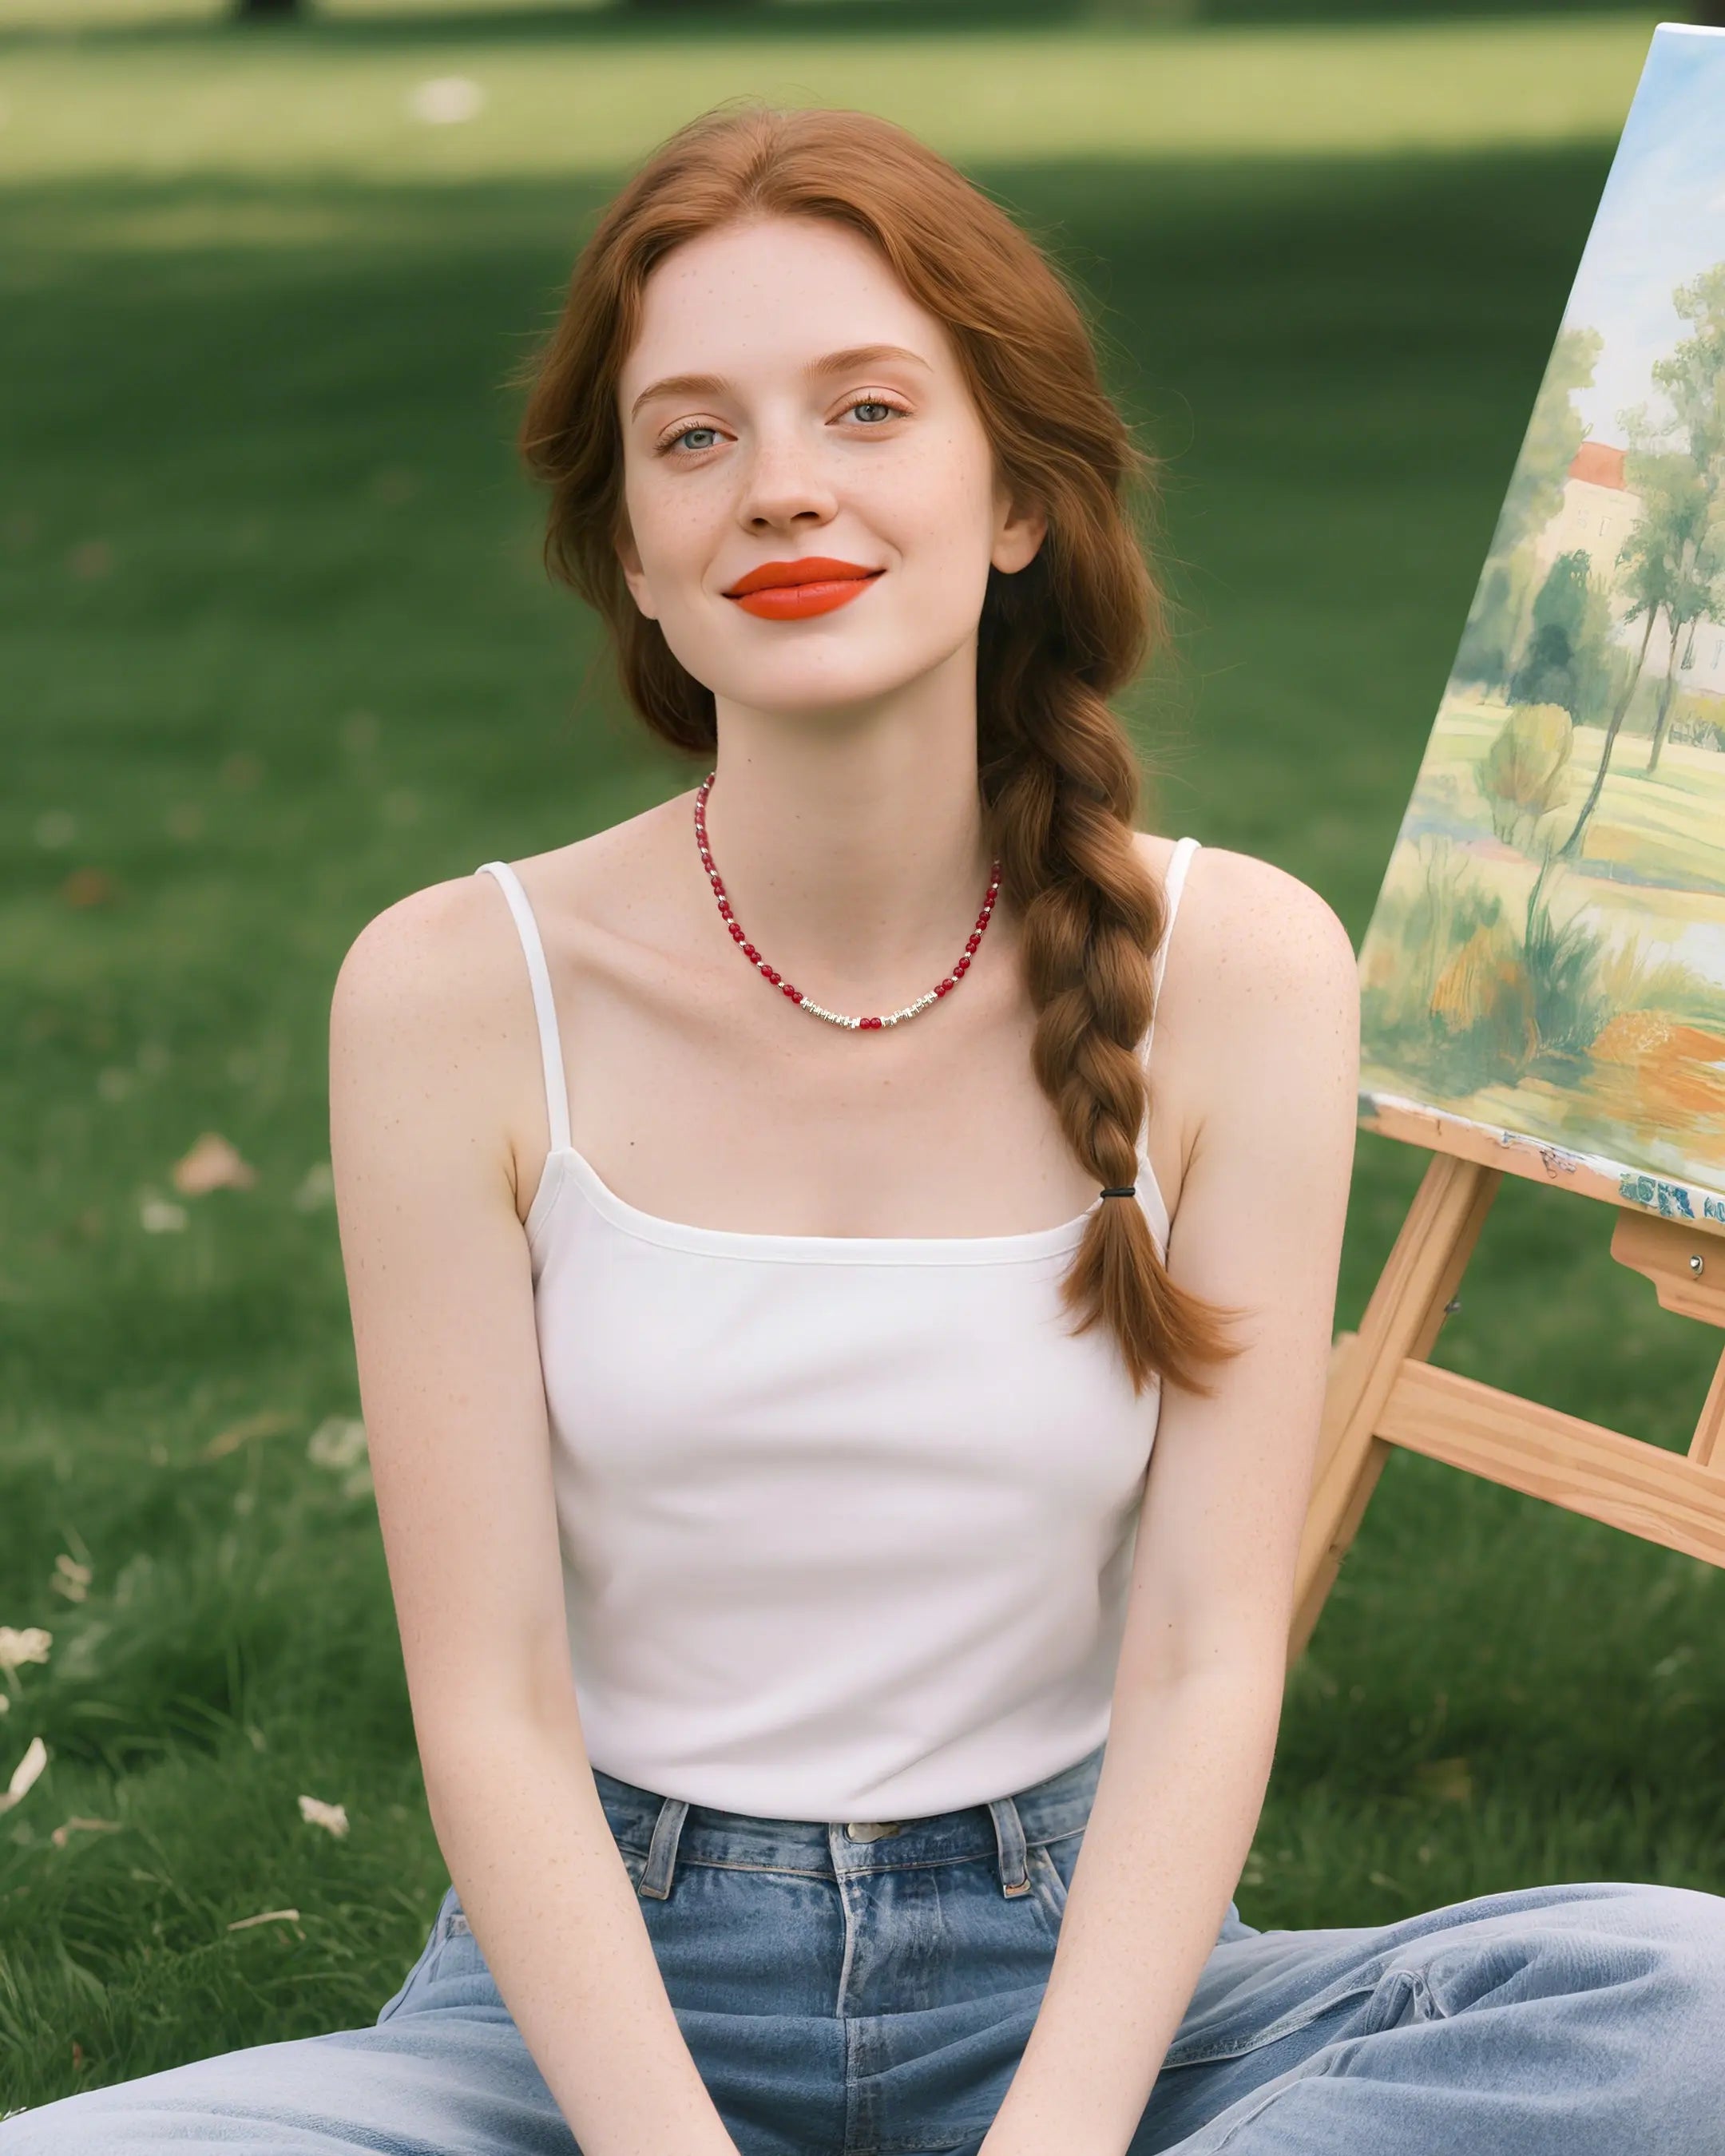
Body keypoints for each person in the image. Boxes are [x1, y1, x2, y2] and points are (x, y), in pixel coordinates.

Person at [7, 99, 1723, 2156]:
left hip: (1088, 1990)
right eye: (696, 435)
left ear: (1014, 497)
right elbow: (490, 1707)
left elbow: (1200, 1663)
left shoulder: (1240, 969)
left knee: (1680, 2003)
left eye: (868, 408)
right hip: (595, 2010)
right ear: (632, 549)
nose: (782, 487)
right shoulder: (454, 998)